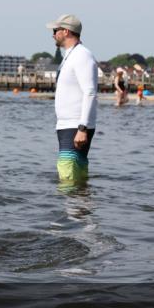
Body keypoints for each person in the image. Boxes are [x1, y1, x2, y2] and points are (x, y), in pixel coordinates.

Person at [47, 14, 97, 183]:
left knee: (67, 176)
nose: (53, 34)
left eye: (55, 30)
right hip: (67, 125)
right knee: (77, 179)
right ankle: (79, 208)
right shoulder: (70, 55)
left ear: (66, 31)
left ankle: (71, 209)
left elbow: (89, 92)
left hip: (75, 126)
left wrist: (82, 128)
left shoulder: (82, 55)